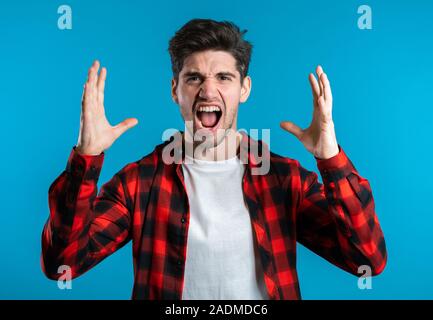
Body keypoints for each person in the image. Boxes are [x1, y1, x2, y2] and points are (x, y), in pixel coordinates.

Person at [41, 18, 387, 300]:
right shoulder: (140, 182)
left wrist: (330, 158)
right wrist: (86, 159)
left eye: (224, 77)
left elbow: (367, 260)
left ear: (244, 89)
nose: (208, 91)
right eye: (194, 78)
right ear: (175, 89)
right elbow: (63, 265)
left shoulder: (283, 179)